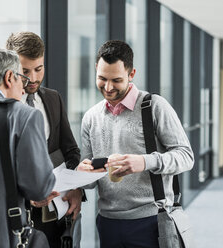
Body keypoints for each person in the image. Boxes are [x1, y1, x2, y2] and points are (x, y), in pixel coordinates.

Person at [78, 40, 194, 247]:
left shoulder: (155, 107)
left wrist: (145, 161)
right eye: (102, 78)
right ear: (96, 69)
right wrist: (82, 173)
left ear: (131, 75)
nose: (108, 87)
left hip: (151, 221)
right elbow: (89, 181)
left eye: (116, 80)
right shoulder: (90, 118)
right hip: (108, 223)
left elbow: (186, 156)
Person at [0, 45, 56, 247]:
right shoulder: (22, 115)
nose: (24, 89)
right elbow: (39, 188)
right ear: (9, 77)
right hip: (0, 237)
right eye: (22, 80)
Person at [6, 31, 83, 247]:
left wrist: (77, 190)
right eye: (25, 71)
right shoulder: (1, 107)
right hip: (19, 220)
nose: (34, 78)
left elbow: (71, 152)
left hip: (57, 215)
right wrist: (29, 194)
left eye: (39, 69)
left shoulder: (53, 98)